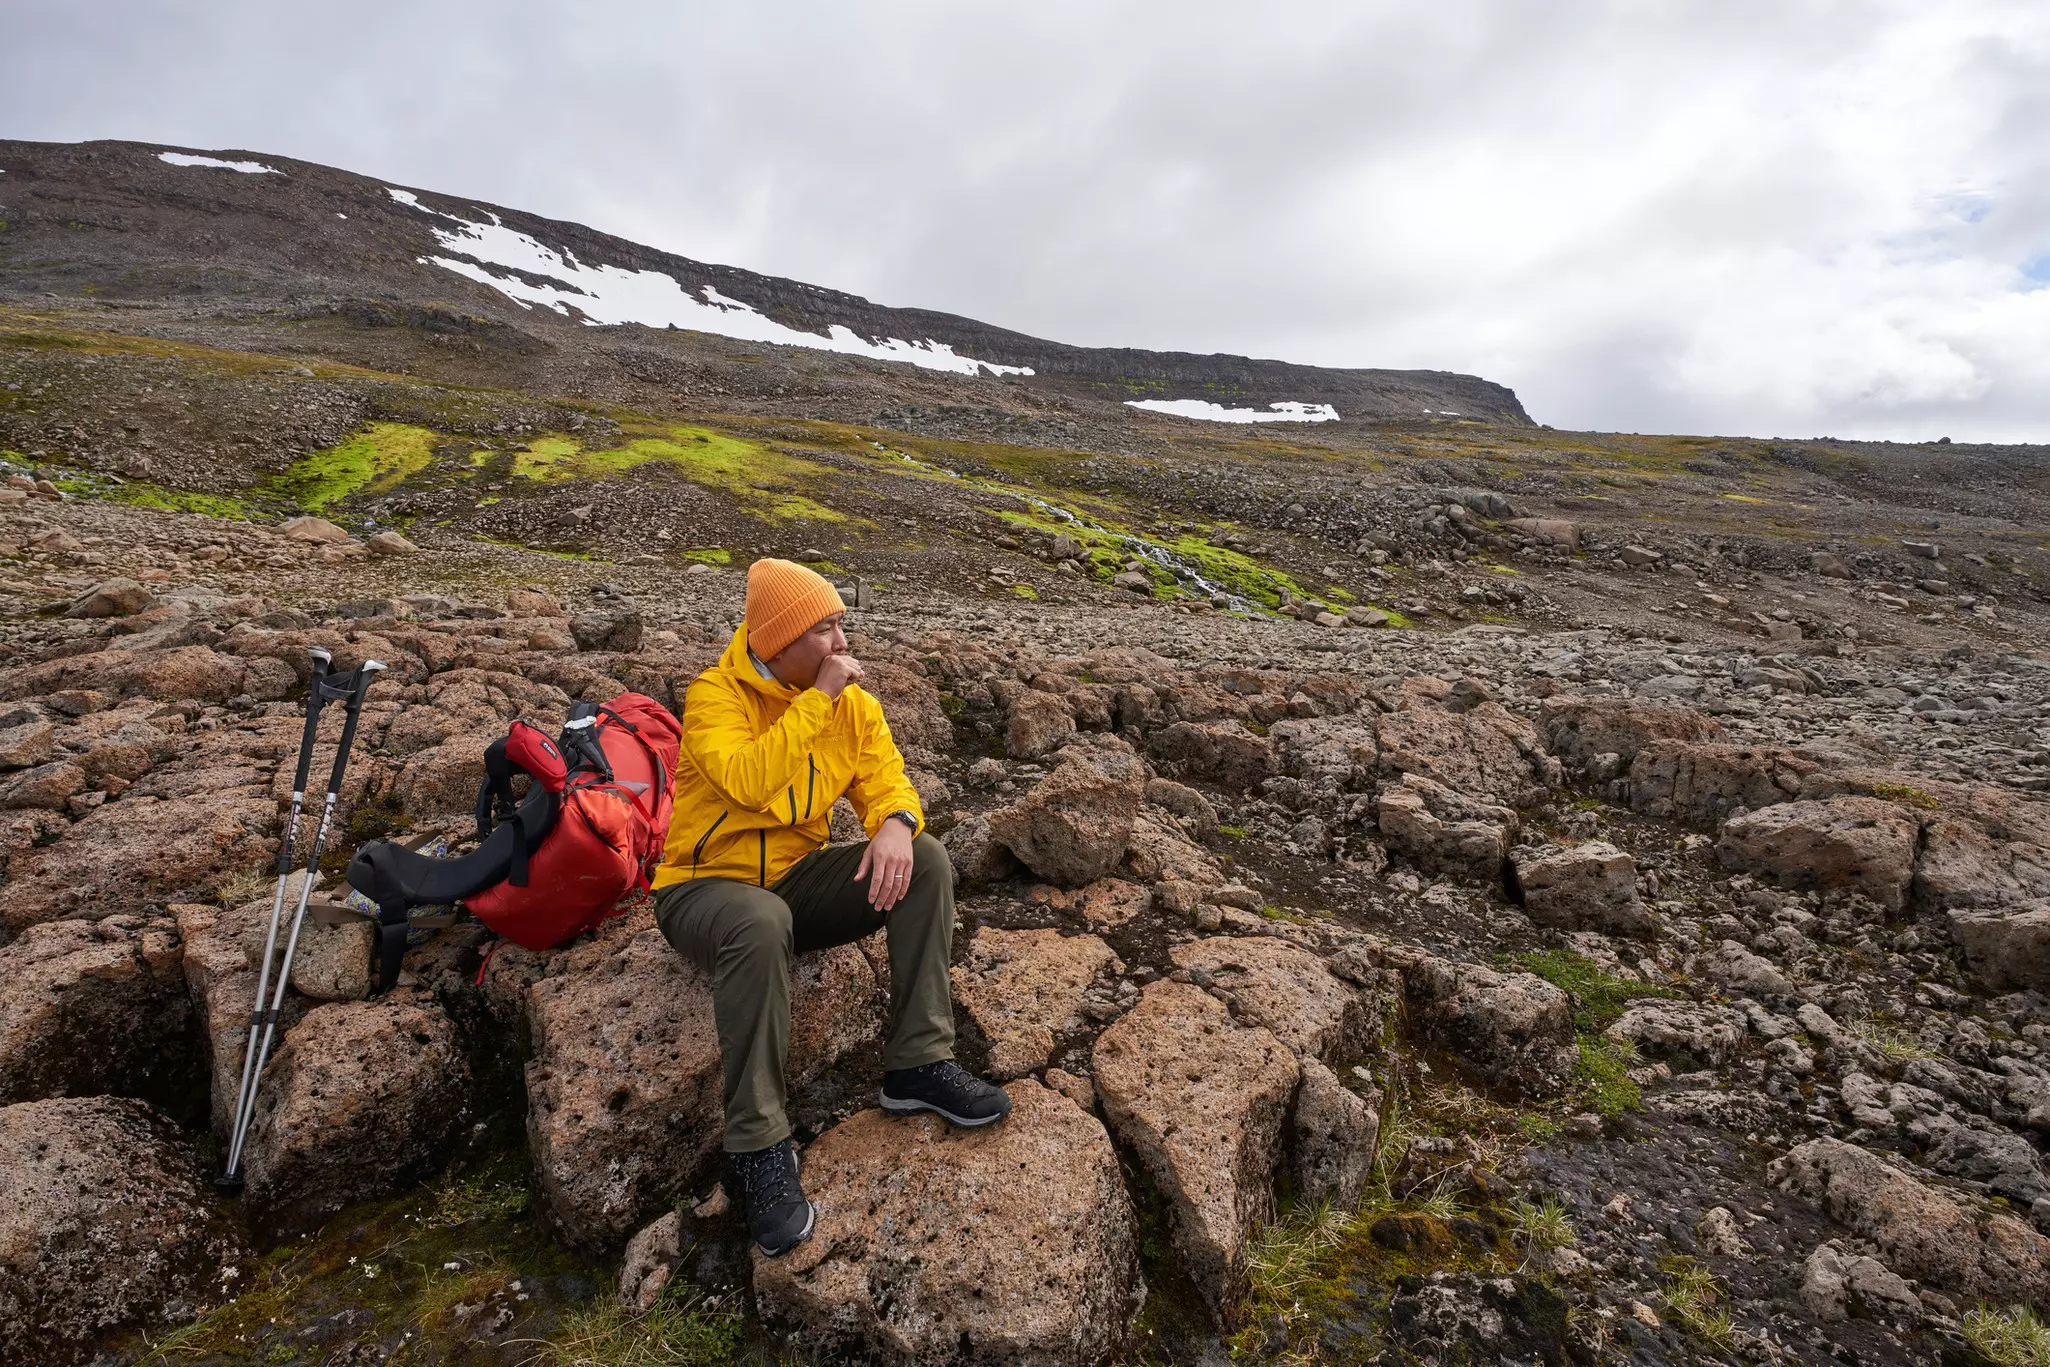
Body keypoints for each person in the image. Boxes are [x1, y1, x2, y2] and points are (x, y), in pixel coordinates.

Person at [653, 557, 1011, 1256]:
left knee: (929, 861)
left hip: (790, 883)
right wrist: (815, 699)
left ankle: (918, 1064)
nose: (842, 640)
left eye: (841, 622)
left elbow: (890, 781)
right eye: (824, 627)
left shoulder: (854, 705)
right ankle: (759, 1145)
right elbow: (751, 783)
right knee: (760, 922)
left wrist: (896, 824)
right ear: (777, 642)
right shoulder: (714, 697)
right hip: (701, 889)